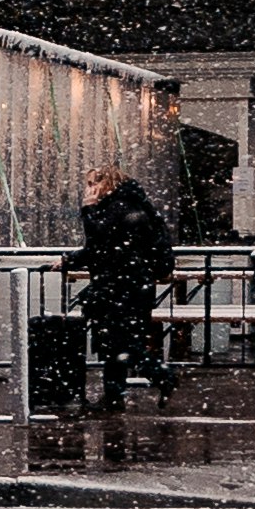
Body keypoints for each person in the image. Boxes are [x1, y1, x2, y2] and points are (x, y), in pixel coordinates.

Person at [77, 165, 177, 411]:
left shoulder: (118, 209)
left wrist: (88, 211)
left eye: (93, 184)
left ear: (108, 184)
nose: (89, 190)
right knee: (117, 344)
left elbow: (101, 243)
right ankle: (114, 396)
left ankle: (161, 376)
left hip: (120, 286)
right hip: (131, 285)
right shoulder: (133, 206)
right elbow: (105, 248)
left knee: (119, 344)